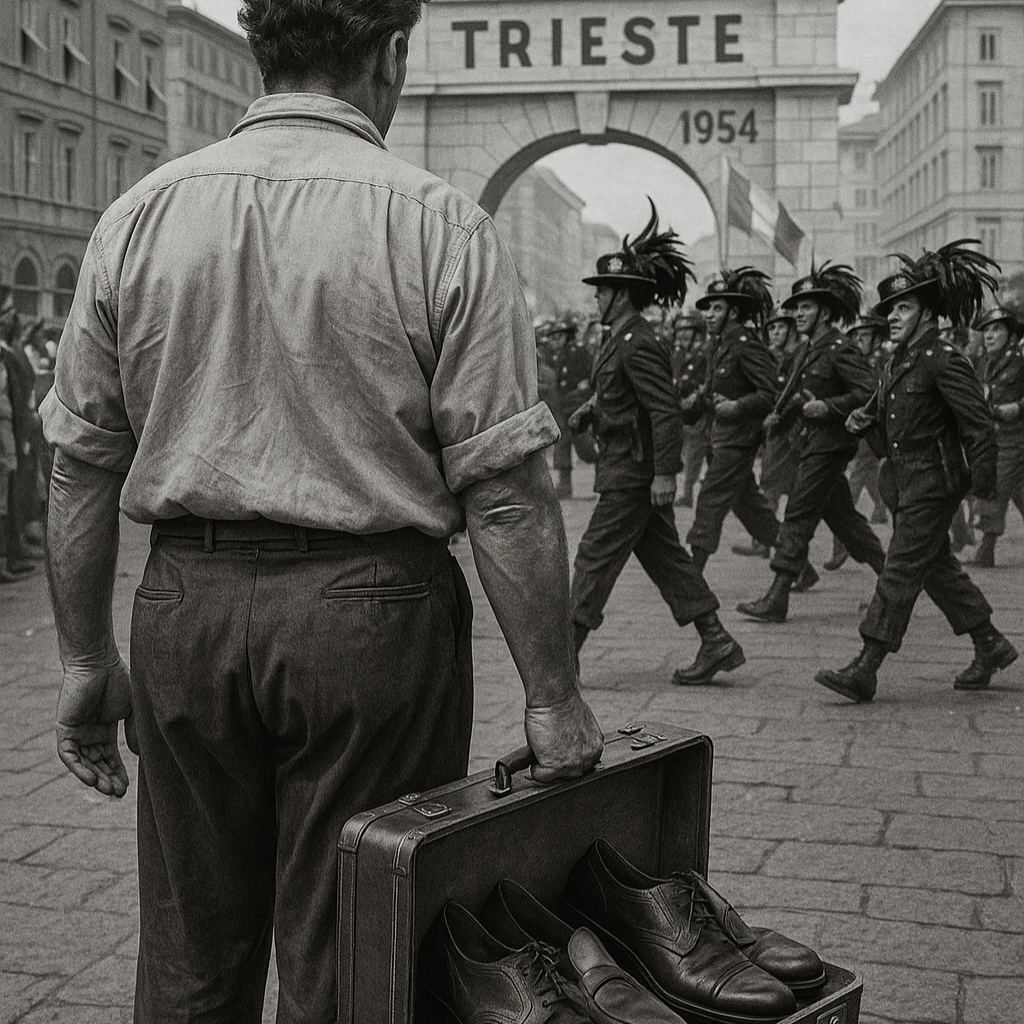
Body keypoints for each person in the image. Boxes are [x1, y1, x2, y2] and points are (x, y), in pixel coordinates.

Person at [39, 1, 603, 1019]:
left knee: (188, 947)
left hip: (186, 606)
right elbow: (506, 492)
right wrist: (553, 693)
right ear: (389, 54)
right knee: (352, 944)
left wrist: (85, 659)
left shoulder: (141, 213)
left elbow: (79, 462)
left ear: (263, 52)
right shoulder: (435, 221)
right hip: (372, 616)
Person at [816, 241, 1018, 702]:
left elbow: (978, 424)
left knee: (901, 569)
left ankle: (866, 666)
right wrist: (862, 424)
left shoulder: (944, 359)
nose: (892, 316)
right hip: (903, 486)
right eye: (890, 309)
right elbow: (890, 438)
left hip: (934, 483)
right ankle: (990, 644)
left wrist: (983, 487)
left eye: (903, 307)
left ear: (927, 313)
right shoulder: (897, 364)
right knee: (936, 569)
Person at [568, 203, 745, 686]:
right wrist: (594, 410)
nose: (596, 299)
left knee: (594, 556)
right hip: (630, 466)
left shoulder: (636, 341)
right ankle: (716, 641)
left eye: (602, 291)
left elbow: (663, 410)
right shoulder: (619, 338)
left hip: (633, 472)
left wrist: (666, 472)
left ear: (622, 295)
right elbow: (629, 401)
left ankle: (564, 657)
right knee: (668, 561)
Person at [738, 263, 886, 623]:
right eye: (797, 307)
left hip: (829, 446)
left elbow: (871, 393)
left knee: (798, 516)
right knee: (846, 522)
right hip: (810, 443)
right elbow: (801, 394)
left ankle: (777, 596)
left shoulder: (839, 348)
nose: (798, 313)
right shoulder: (810, 349)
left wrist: (829, 407)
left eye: (806, 307)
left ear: (825, 311)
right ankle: (895, 578)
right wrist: (782, 414)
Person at [683, 267, 782, 572]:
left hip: (738, 442)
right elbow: (712, 392)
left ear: (734, 311)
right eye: (709, 308)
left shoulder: (744, 344)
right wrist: (685, 408)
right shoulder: (719, 345)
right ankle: (799, 564)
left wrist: (737, 407)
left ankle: (693, 573)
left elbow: (771, 393)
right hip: (721, 440)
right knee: (751, 509)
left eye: (718, 308)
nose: (710, 315)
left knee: (709, 501)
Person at [822, 311, 890, 571]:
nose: (859, 341)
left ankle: (845, 547)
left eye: (865, 336)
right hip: (863, 438)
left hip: (881, 436)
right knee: (865, 485)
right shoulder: (853, 362)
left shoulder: (886, 361)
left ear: (876, 339)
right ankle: (844, 547)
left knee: (849, 493)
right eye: (856, 336)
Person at [971, 306, 1024, 567]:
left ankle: (986, 549)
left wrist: (1017, 408)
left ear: (1011, 334)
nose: (989, 336)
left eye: (996, 329)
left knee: (997, 486)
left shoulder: (1020, 359)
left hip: (1016, 437)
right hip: (995, 436)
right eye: (986, 331)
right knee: (1019, 492)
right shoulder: (984, 361)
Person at [670, 311, 709, 508]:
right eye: (679, 332)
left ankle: (687, 494)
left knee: (695, 454)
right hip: (683, 413)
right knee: (687, 454)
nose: (681, 336)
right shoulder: (679, 355)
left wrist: (695, 397)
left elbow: (707, 382)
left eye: (687, 332)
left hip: (701, 413)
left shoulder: (704, 355)